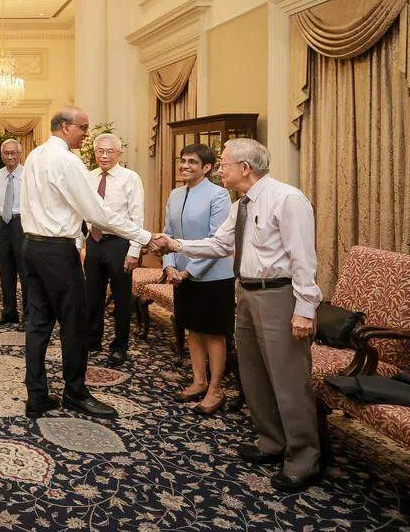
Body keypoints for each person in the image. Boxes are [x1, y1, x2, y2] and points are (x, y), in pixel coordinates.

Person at [154, 138, 323, 493]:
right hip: (245, 293)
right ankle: (271, 441)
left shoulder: (287, 199)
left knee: (288, 379)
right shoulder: (240, 205)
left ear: (245, 168)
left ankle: (303, 459)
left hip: (279, 296)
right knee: (253, 372)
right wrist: (175, 245)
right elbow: (219, 244)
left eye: (224, 163)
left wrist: (305, 309)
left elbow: (303, 259)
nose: (220, 170)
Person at [20, 106, 153, 420]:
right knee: (74, 323)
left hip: (32, 247)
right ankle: (75, 393)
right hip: (57, 252)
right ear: (66, 127)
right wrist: (145, 236)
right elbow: (98, 212)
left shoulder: (35, 156)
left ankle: (36, 396)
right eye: (83, 128)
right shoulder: (68, 161)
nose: (86, 134)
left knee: (37, 324)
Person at [161, 143, 234, 414]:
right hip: (180, 276)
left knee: (213, 333)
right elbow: (168, 233)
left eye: (192, 162)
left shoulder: (219, 195)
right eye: (183, 160)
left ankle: (216, 389)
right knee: (193, 329)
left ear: (207, 168)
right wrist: (170, 266)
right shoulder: (175, 194)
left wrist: (188, 271)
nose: (185, 166)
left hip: (213, 277)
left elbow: (217, 240)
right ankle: (199, 381)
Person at [83, 133, 144, 367]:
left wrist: (134, 251)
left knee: (121, 299)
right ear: (95, 153)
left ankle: (119, 346)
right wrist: (81, 243)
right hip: (94, 242)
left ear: (119, 153)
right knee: (92, 296)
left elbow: (137, 216)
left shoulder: (130, 178)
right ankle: (92, 340)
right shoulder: (89, 177)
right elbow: (82, 212)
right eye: (100, 151)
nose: (105, 156)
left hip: (120, 244)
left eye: (110, 151)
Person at [0, 138, 28, 329]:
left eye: (14, 153)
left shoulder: (28, 175)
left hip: (22, 224)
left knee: (25, 270)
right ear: (1, 155)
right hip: (3, 223)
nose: (10, 156)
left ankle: (28, 316)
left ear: (20, 154)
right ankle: (9, 312)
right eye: (6, 153)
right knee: (5, 269)